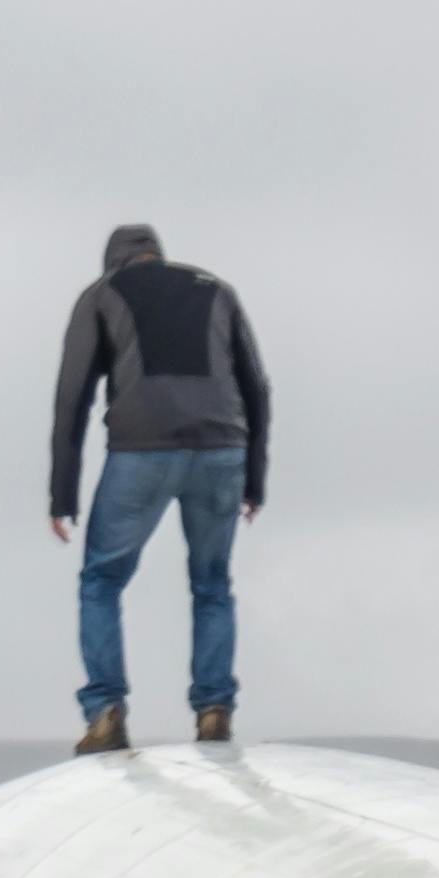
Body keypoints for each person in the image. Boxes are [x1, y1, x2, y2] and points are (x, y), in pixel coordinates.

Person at [48, 222, 273, 752]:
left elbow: (72, 395)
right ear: (157, 255)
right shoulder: (217, 290)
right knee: (212, 583)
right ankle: (214, 710)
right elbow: (256, 386)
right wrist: (254, 480)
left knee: (101, 581)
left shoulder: (101, 295)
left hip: (141, 454)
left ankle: (106, 712)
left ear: (114, 262)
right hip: (223, 450)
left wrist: (63, 494)